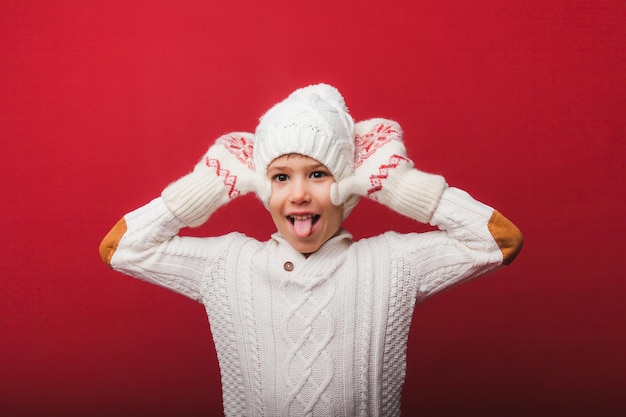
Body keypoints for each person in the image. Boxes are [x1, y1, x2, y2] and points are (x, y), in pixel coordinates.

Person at [99, 83, 523, 417]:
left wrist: (400, 185)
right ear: (261, 187)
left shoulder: (393, 265)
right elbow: (122, 248)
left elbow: (498, 240)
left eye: (318, 174)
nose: (299, 193)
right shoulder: (227, 266)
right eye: (280, 177)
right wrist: (208, 186)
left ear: (347, 185)